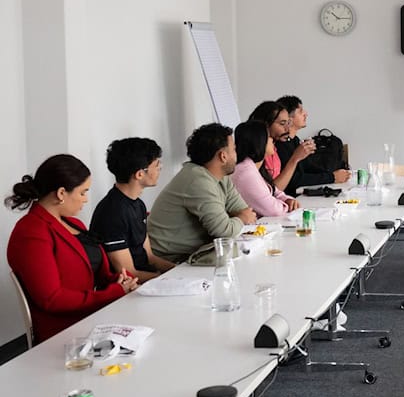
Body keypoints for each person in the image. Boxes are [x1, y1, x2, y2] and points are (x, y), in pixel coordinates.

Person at [6, 154, 139, 343]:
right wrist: (114, 292)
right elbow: (52, 299)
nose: (85, 200)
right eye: (83, 192)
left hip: (93, 316)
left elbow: (95, 273)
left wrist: (117, 281)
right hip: (65, 331)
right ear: (61, 193)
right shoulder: (31, 233)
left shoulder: (74, 223)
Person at [147, 123, 257, 263]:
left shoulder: (221, 177)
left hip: (197, 254)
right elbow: (225, 231)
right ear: (223, 156)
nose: (237, 154)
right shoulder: (197, 181)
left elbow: (244, 211)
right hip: (171, 262)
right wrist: (241, 218)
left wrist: (240, 217)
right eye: (234, 150)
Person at [91, 138, 176, 283]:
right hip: (127, 291)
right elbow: (128, 273)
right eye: (156, 165)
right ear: (139, 174)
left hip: (147, 281)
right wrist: (169, 280)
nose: (159, 169)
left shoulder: (138, 205)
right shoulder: (112, 213)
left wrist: (177, 270)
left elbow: (149, 257)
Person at [275, 95, 350, 194]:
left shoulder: (295, 140)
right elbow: (294, 179)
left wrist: (334, 174)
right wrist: (332, 177)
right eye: (301, 111)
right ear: (288, 117)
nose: (306, 114)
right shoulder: (280, 145)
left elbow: (308, 167)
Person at [231, 121, 301, 217]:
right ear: (259, 141)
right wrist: (287, 206)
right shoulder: (245, 172)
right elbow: (273, 210)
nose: (273, 140)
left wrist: (287, 200)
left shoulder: (255, 166)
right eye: (269, 137)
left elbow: (275, 191)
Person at [247, 101, 315, 194]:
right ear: (266, 124)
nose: (287, 129)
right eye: (282, 124)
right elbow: (271, 193)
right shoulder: (255, 153)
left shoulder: (273, 150)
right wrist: (295, 158)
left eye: (288, 123)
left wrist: (286, 199)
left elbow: (277, 191)